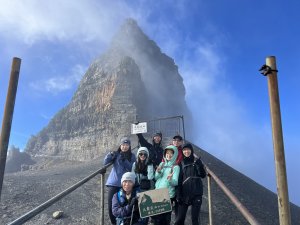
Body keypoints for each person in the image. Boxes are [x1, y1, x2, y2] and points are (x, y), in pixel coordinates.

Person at [104, 137, 136, 225]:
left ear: (129, 146)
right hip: (114, 183)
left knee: (124, 204)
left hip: (126, 184)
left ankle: (123, 222)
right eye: (123, 145)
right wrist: (110, 155)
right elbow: (105, 162)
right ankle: (114, 223)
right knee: (111, 206)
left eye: (126, 145)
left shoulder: (132, 156)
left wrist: (124, 160)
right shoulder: (116, 154)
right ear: (120, 146)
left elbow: (131, 168)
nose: (124, 147)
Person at [174, 143, 207, 225]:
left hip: (196, 194)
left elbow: (202, 175)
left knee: (195, 219)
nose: (186, 151)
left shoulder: (196, 162)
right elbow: (179, 180)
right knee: (180, 219)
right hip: (184, 194)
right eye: (184, 150)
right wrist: (178, 194)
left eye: (188, 149)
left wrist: (199, 166)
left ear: (191, 150)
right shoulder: (181, 164)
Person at [152, 145, 180, 225]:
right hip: (157, 193)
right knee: (156, 219)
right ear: (164, 154)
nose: (169, 155)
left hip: (167, 195)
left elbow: (175, 182)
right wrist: (158, 172)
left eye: (171, 153)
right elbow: (156, 178)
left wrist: (170, 179)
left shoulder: (175, 167)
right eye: (167, 153)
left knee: (165, 219)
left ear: (175, 155)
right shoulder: (162, 164)